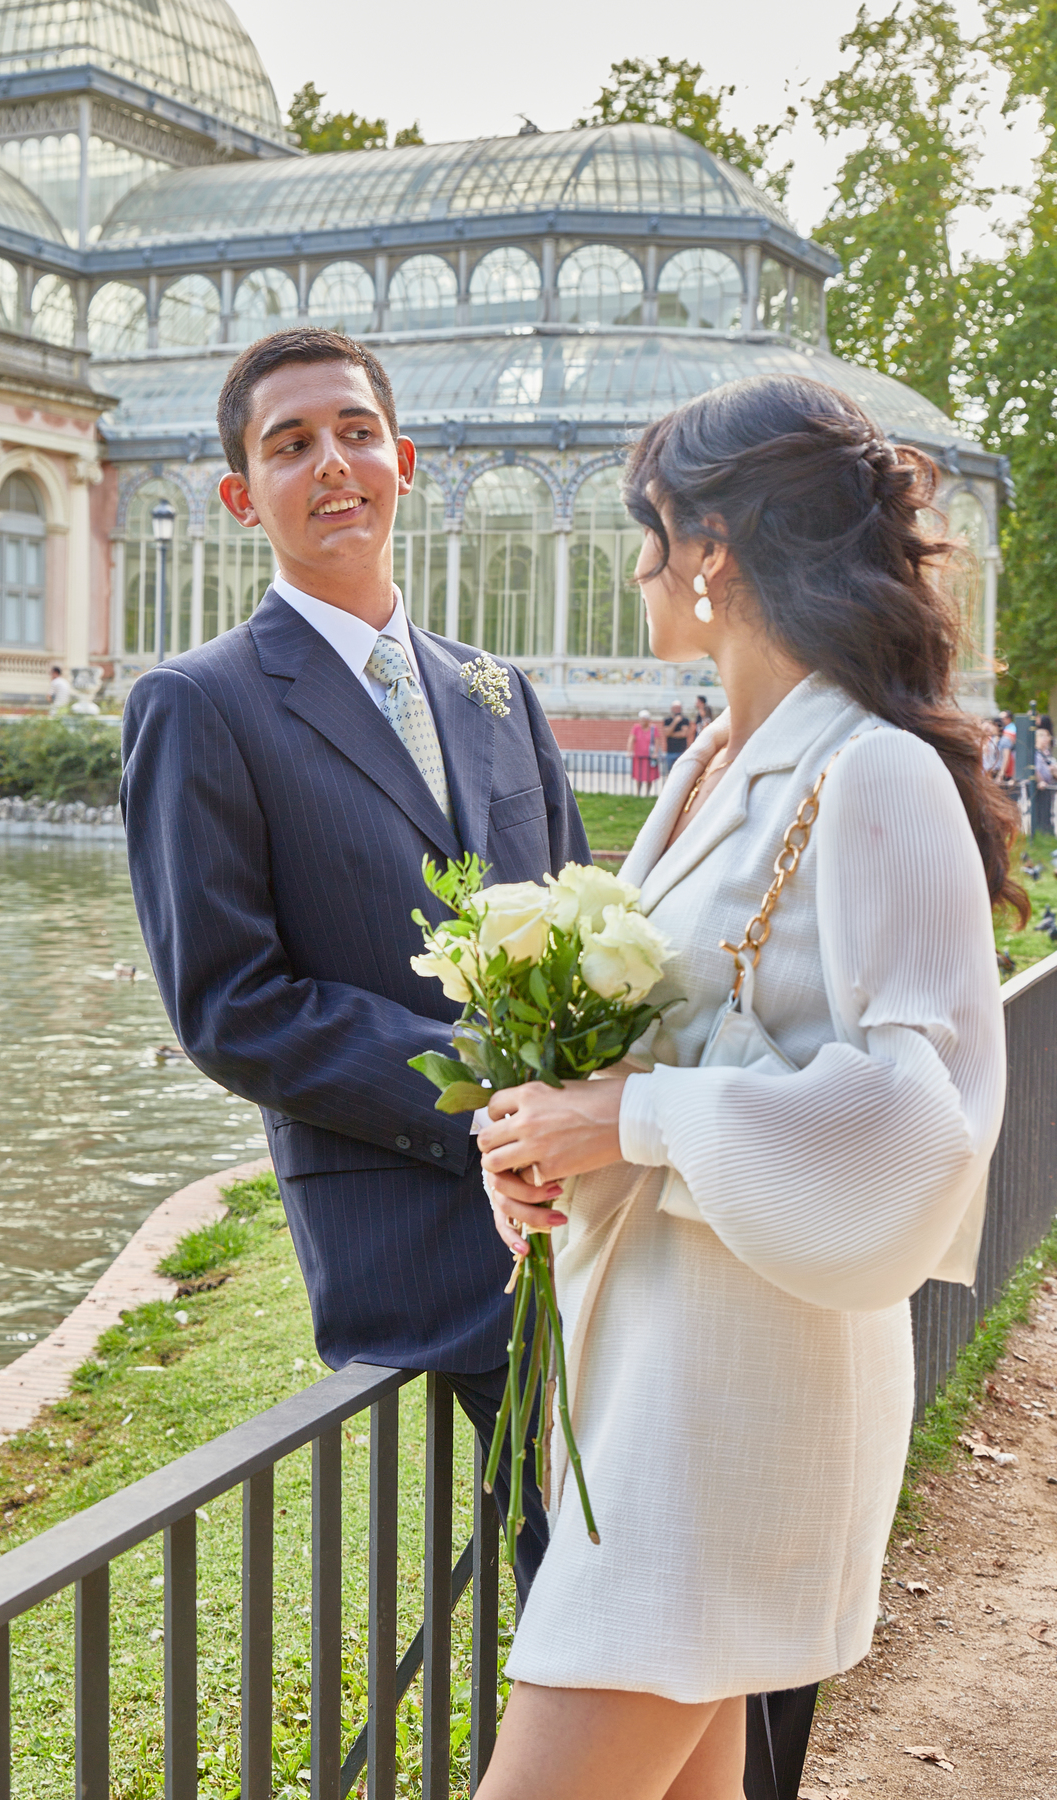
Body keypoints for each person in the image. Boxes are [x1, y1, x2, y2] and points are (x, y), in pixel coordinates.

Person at [476, 374, 1013, 1800]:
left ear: (710, 548)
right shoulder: (714, 764)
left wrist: (634, 1118)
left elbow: (924, 1123)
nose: (637, 568)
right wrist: (542, 1132)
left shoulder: (874, 775)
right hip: (647, 1374)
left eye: (649, 532)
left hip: (730, 1399)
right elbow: (676, 1041)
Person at [119, 326, 588, 1600]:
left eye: (356, 433)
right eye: (291, 445)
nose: (332, 462)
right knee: (594, 1589)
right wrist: (491, 1108)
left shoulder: (498, 689)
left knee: (700, 1564)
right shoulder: (200, 703)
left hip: (595, 1202)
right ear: (241, 497)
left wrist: (595, 1108)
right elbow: (232, 1007)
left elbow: (578, 928)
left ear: (404, 462)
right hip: (424, 1244)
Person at [628, 710, 663, 794]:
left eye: (644, 720)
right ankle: (638, 792)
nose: (642, 722)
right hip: (638, 755)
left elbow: (657, 741)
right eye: (641, 720)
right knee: (639, 775)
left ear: (648, 720)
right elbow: (631, 739)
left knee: (649, 776)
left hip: (649, 756)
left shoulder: (653, 728)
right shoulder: (636, 728)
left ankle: (647, 793)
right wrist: (629, 751)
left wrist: (655, 752)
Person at [662, 699, 693, 775]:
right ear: (672, 709)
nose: (678, 710)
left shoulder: (685, 720)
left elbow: (684, 734)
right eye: (676, 708)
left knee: (682, 773)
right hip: (670, 751)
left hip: (681, 751)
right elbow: (666, 733)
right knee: (670, 773)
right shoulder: (667, 720)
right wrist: (675, 722)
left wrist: (671, 733)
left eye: (679, 708)